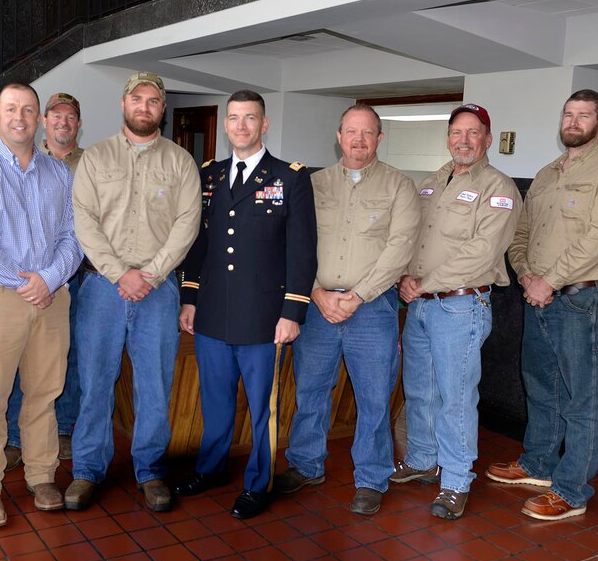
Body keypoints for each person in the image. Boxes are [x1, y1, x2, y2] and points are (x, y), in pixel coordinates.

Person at [487, 89, 598, 521]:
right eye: (568, 114)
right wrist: (527, 275)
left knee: (584, 399)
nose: (574, 122)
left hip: (583, 300)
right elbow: (522, 235)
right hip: (539, 297)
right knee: (540, 385)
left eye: (584, 115)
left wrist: (551, 280)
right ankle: (538, 464)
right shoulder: (547, 173)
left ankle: (572, 491)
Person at [275, 103, 420, 516]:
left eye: (368, 132)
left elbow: (400, 249)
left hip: (372, 308)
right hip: (318, 305)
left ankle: (372, 479)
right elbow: (292, 244)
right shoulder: (312, 185)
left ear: (379, 138)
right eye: (351, 132)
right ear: (338, 136)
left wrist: (358, 296)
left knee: (374, 397)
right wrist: (317, 293)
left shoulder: (399, 186)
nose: (359, 140)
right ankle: (306, 464)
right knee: (310, 390)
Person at [176, 90, 316, 519]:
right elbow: (198, 243)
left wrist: (292, 312)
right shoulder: (210, 176)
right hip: (213, 313)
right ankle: (212, 468)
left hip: (264, 319)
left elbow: (303, 251)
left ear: (264, 124)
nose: (240, 126)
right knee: (215, 402)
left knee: (262, 411)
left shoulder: (289, 178)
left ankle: (259, 483)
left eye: (249, 118)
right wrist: (189, 299)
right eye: (233, 118)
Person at [68, 72, 201, 512]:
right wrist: (118, 272)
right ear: (123, 104)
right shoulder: (95, 158)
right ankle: (88, 469)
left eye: (153, 101)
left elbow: (187, 224)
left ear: (162, 109)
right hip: (101, 289)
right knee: (94, 382)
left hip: (157, 291)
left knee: (154, 384)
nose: (144, 106)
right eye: (137, 99)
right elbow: (83, 218)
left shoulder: (180, 162)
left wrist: (151, 274)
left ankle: (151, 470)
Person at [0, 83, 82, 527]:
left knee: (45, 393)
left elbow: (74, 236)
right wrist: (24, 282)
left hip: (51, 297)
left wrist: (48, 279)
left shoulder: (60, 174)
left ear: (40, 117)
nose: (20, 117)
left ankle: (41, 475)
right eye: (11, 109)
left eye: (28, 109)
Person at [392, 103, 520, 520]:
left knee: (456, 399)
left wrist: (424, 283)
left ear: (487, 138)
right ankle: (423, 459)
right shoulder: (430, 182)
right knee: (419, 390)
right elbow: (410, 237)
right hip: (421, 305)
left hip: (461, 306)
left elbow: (481, 250)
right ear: (448, 138)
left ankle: (456, 481)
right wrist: (406, 278)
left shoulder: (498, 188)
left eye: (473, 132)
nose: (463, 140)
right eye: (456, 132)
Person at [4, 92, 85, 467]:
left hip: (76, 276)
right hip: (21, 282)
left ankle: (62, 429)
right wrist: (36, 280)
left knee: (63, 357)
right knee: (21, 358)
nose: (63, 123)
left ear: (78, 125)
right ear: (43, 121)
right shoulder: (26, 162)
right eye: (56, 116)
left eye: (71, 117)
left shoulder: (92, 163)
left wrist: (53, 277)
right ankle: (17, 437)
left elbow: (79, 228)